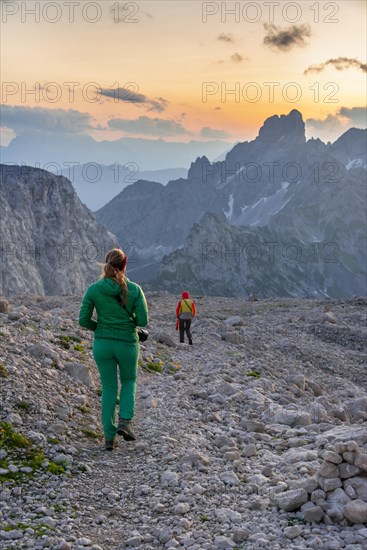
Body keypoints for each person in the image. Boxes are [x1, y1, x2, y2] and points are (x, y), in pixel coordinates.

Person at [79, 248, 149, 451]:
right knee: (128, 380)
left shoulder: (93, 289)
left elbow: (83, 320)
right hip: (127, 343)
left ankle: (109, 438)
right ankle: (125, 422)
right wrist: (129, 323)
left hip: (103, 345)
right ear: (124, 266)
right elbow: (143, 320)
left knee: (109, 388)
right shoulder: (134, 289)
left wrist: (100, 328)